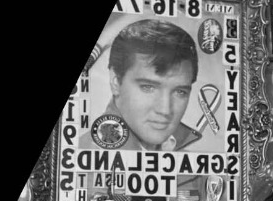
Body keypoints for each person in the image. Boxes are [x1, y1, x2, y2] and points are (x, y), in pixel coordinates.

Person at [78, 19, 201, 151]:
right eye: (148, 87)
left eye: (180, 92)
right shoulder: (89, 155)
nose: (165, 110)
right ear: (116, 81)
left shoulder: (180, 154)